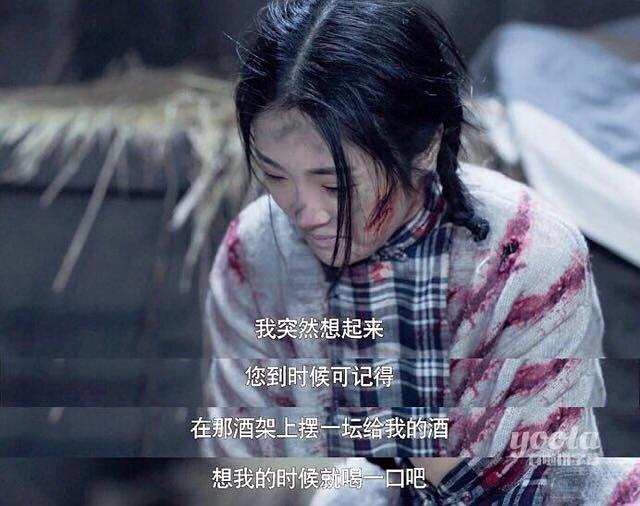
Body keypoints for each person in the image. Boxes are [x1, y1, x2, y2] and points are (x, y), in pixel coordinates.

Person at [201, 0, 606, 500]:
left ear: (427, 146)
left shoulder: (526, 255)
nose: (304, 213)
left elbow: (538, 483)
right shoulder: (254, 253)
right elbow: (248, 467)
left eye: (334, 185)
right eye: (276, 175)